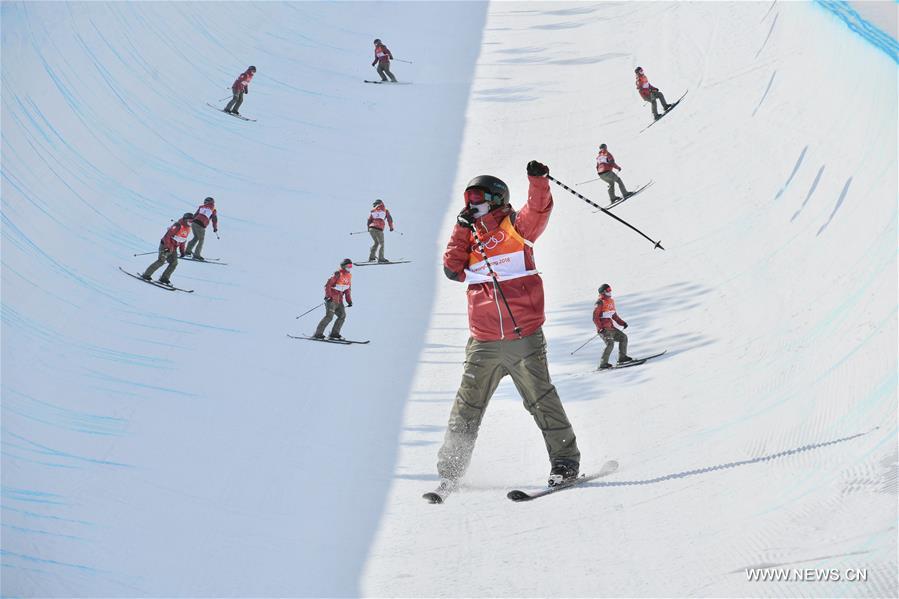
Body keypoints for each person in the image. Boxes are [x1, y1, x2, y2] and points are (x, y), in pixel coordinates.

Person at [436, 160, 581, 494]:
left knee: (541, 399)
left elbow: (538, 210)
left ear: (497, 198)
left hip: (523, 336)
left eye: (478, 197)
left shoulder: (517, 229)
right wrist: (461, 229)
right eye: (468, 198)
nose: (472, 203)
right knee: (467, 405)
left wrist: (538, 181)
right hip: (483, 341)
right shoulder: (469, 239)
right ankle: (451, 470)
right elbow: (451, 269)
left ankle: (565, 463)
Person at [142, 213, 194, 285]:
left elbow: (183, 240)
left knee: (174, 263)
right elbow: (168, 236)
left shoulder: (188, 229)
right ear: (185, 219)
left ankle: (164, 278)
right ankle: (146, 275)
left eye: (192, 221)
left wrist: (182, 252)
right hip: (166, 246)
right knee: (161, 261)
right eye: (189, 220)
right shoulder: (178, 225)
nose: (190, 222)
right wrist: (167, 247)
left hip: (173, 248)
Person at [593, 284, 633, 369]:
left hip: (611, 327)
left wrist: (622, 323)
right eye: (608, 290)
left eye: (610, 289)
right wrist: (600, 328)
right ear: (603, 292)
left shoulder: (610, 301)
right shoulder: (599, 302)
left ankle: (622, 358)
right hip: (604, 329)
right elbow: (595, 318)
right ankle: (603, 364)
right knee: (610, 344)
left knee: (623, 337)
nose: (610, 291)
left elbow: (614, 315)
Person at [313, 258, 353, 340]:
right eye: (348, 266)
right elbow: (328, 285)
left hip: (339, 301)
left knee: (342, 316)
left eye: (351, 266)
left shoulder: (349, 276)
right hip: (331, 300)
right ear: (343, 266)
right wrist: (328, 296)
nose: (350, 267)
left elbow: (347, 289)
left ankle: (334, 334)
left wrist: (349, 301)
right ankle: (318, 334)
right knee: (329, 317)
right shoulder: (337, 274)